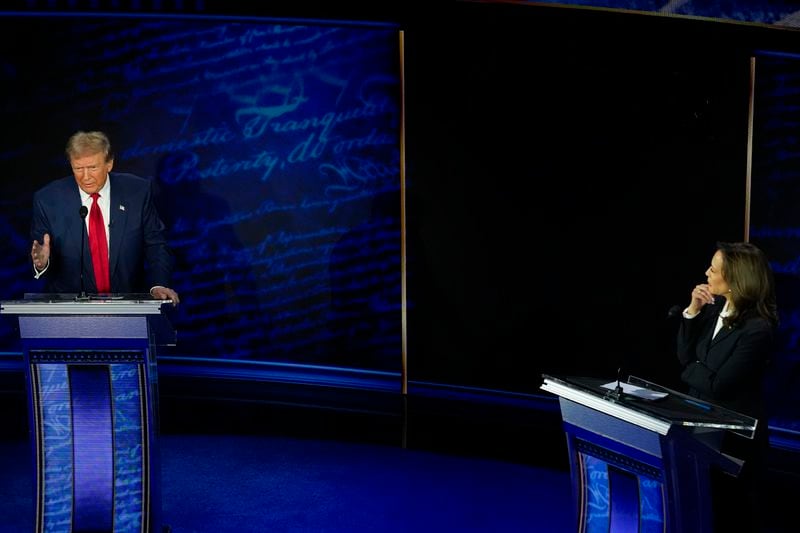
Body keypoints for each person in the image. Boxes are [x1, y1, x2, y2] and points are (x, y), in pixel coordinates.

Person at [676, 241, 777, 532]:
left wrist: (690, 368)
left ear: (735, 278)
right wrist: (692, 311)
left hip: (732, 441)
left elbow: (719, 385)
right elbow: (685, 356)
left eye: (714, 269)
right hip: (700, 430)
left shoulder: (758, 330)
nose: (707, 273)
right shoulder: (713, 309)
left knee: (729, 517)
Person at [30, 130, 180, 304]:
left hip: (128, 305)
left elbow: (156, 244)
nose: (85, 177)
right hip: (70, 310)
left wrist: (158, 284)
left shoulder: (137, 192)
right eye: (78, 168)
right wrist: (41, 264)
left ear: (109, 164)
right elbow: (39, 253)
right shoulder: (48, 200)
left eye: (92, 167)